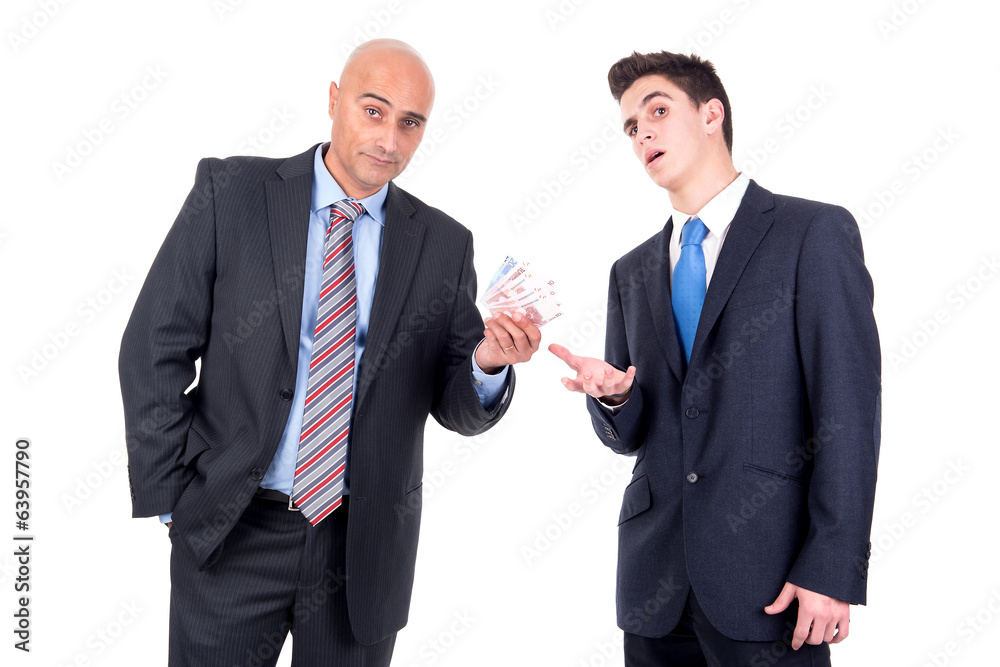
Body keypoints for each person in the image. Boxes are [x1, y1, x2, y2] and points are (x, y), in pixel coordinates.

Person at [118, 39, 540, 666]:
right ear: (335, 100)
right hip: (232, 528)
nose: (389, 140)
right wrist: (172, 497)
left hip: (360, 549)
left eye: (410, 123)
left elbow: (452, 402)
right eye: (373, 111)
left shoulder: (443, 243)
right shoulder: (231, 191)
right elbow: (154, 344)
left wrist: (487, 364)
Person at [550, 50, 881, 666]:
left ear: (711, 115)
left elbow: (850, 410)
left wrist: (833, 566)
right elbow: (633, 438)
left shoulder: (811, 233)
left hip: (772, 581)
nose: (642, 133)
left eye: (657, 111)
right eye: (630, 126)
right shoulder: (630, 271)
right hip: (654, 587)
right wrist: (615, 398)